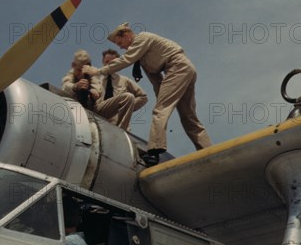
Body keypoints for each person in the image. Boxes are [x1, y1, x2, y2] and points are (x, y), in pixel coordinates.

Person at [83, 23, 212, 166]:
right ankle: (208, 151)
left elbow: (126, 60)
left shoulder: (142, 39)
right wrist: (161, 100)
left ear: (126, 35)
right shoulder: (142, 58)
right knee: (188, 116)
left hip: (177, 67)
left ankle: (154, 151)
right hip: (183, 70)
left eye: (120, 43)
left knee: (161, 111)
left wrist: (98, 71)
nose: (120, 47)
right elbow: (157, 82)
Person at [63, 50, 137, 130]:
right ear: (73, 65)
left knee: (128, 97)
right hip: (77, 108)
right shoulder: (70, 74)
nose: (81, 73)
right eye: (78, 70)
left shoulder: (92, 72)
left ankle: (121, 131)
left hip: (94, 108)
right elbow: (65, 86)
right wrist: (76, 86)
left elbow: (97, 86)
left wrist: (93, 91)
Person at [98, 48, 148, 130]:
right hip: (99, 122)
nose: (109, 65)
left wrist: (126, 108)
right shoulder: (95, 80)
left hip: (119, 125)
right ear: (103, 62)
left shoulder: (125, 81)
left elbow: (143, 97)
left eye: (113, 62)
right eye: (107, 62)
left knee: (128, 97)